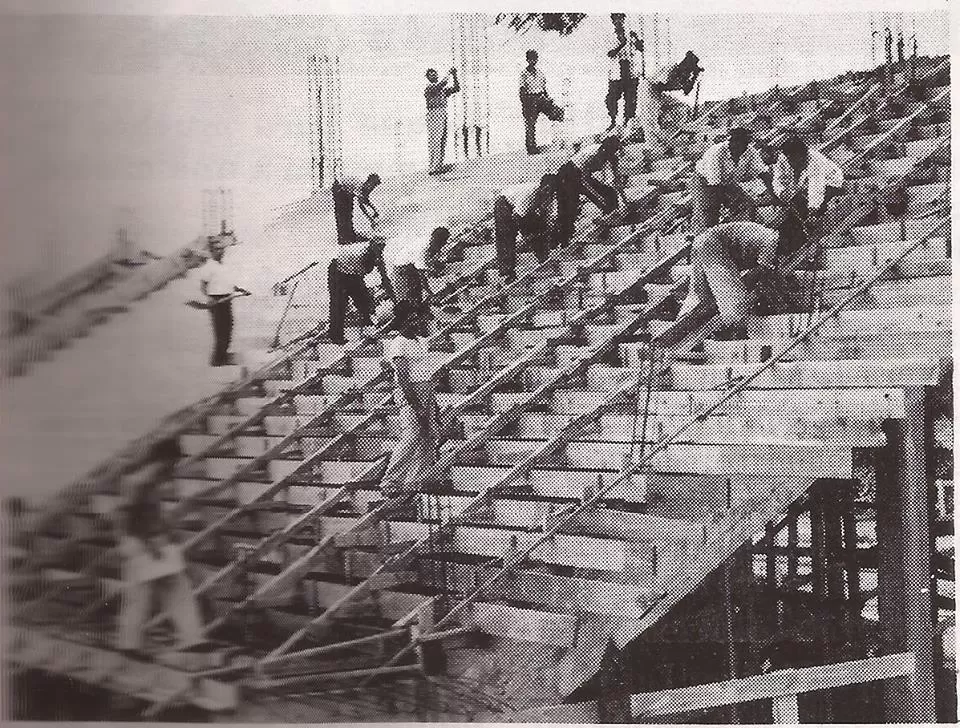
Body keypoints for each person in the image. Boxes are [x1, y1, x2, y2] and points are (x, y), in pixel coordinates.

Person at [108, 439, 204, 656]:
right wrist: (147, 544)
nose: (174, 467)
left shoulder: (150, 481)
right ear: (165, 459)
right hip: (140, 541)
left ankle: (189, 638)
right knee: (145, 594)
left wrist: (167, 537)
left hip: (150, 540)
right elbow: (125, 517)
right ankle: (131, 644)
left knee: (169, 588)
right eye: (173, 462)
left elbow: (151, 516)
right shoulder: (138, 482)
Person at [676, 221, 783, 337]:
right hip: (713, 244)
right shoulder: (771, 241)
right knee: (736, 302)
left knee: (698, 294)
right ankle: (734, 334)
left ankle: (679, 324)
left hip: (701, 242)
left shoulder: (764, 234)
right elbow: (760, 272)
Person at [380, 301, 441, 497]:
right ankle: (390, 482)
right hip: (410, 392)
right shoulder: (398, 344)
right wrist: (417, 406)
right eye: (412, 319)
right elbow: (404, 379)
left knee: (428, 436)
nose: (416, 322)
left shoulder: (421, 341)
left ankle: (417, 480)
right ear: (403, 320)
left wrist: (432, 403)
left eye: (417, 318)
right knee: (412, 435)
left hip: (426, 389)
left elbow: (426, 372)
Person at [770, 134, 844, 259]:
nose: (793, 163)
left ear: (803, 155)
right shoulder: (783, 158)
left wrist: (812, 212)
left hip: (830, 182)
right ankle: (793, 243)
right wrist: (782, 192)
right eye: (791, 160)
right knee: (795, 204)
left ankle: (809, 240)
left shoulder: (816, 161)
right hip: (803, 186)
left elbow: (816, 188)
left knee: (809, 208)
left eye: (797, 159)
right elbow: (777, 180)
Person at [690, 127, 771, 235]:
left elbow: (764, 174)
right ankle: (703, 239)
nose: (743, 148)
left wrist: (773, 194)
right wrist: (722, 205)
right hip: (705, 182)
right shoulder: (716, 152)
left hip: (727, 182)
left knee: (746, 205)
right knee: (708, 213)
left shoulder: (749, 151)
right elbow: (715, 186)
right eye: (740, 144)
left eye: (745, 144)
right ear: (732, 142)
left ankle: (742, 234)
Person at [555, 138, 624, 248]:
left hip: (583, 176)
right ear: (604, 149)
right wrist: (598, 199)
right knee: (570, 209)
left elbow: (617, 180)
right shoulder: (593, 155)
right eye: (610, 152)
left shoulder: (612, 156)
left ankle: (607, 227)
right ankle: (564, 241)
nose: (611, 155)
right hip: (568, 175)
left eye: (614, 152)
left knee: (610, 193)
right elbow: (584, 182)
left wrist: (625, 200)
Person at [385, 227, 451, 333]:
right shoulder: (423, 248)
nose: (442, 245)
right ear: (435, 239)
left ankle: (420, 325)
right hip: (402, 270)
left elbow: (429, 263)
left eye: (444, 243)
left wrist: (436, 266)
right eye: (441, 243)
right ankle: (401, 327)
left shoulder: (432, 246)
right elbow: (421, 275)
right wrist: (429, 292)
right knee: (408, 301)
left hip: (411, 269)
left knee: (417, 299)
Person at [494, 174, 558, 282]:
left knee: (540, 231)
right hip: (505, 203)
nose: (547, 194)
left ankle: (544, 260)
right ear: (541, 187)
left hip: (525, 210)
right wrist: (526, 235)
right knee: (507, 235)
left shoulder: (549, 198)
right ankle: (507, 273)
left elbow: (546, 219)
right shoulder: (529, 194)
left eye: (550, 192)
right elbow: (518, 217)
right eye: (546, 191)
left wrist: (544, 233)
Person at [327, 237, 391, 346]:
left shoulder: (374, 252)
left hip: (352, 269)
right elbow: (366, 272)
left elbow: (383, 275)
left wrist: (388, 288)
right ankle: (336, 335)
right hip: (338, 270)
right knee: (339, 304)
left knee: (364, 300)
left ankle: (368, 326)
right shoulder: (364, 255)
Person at [198, 238, 250, 367]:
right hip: (217, 302)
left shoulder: (223, 266)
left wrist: (239, 289)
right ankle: (217, 359)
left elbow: (227, 283)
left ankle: (223, 356)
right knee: (220, 331)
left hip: (227, 299)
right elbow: (203, 285)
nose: (220, 251)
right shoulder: (209, 267)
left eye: (221, 249)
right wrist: (209, 298)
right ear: (211, 251)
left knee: (228, 328)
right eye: (217, 249)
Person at [519, 50, 563, 155]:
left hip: (541, 97)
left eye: (534, 59)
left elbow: (544, 88)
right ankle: (531, 147)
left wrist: (548, 100)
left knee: (558, 113)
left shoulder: (540, 73)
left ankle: (559, 140)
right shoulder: (524, 74)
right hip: (530, 99)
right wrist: (525, 105)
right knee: (530, 123)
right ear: (527, 60)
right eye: (530, 59)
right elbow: (522, 91)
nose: (533, 62)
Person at [606, 14, 643, 129]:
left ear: (623, 20)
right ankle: (613, 121)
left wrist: (637, 39)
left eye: (620, 19)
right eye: (616, 19)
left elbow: (641, 48)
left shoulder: (630, 34)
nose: (618, 22)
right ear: (613, 21)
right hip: (616, 72)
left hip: (630, 70)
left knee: (630, 98)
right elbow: (610, 53)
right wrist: (622, 44)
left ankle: (628, 122)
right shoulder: (610, 36)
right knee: (612, 98)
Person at [424, 68, 460, 175]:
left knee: (442, 139)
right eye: (431, 75)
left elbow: (456, 88)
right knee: (435, 140)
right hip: (433, 113)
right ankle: (433, 167)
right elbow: (441, 85)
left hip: (442, 112)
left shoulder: (442, 90)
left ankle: (438, 166)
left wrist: (454, 76)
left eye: (435, 74)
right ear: (428, 78)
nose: (434, 76)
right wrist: (449, 74)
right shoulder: (429, 88)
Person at [332, 173, 381, 244]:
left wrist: (374, 210)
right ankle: (343, 238)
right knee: (344, 214)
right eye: (372, 185)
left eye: (374, 186)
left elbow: (365, 200)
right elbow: (361, 205)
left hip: (346, 190)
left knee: (349, 213)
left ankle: (350, 234)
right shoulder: (360, 187)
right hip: (339, 189)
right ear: (368, 182)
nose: (372, 188)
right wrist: (371, 219)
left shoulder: (364, 187)